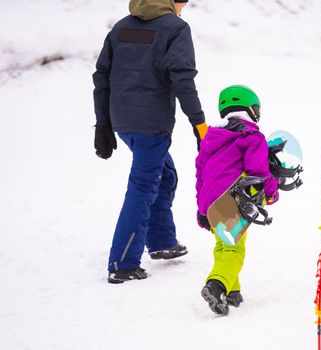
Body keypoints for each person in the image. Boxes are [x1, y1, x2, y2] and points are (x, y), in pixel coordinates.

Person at [92, 0, 208, 284]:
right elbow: (183, 78)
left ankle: (162, 241)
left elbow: (101, 77)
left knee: (164, 174)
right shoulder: (175, 28)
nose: (184, 7)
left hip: (123, 122)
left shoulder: (122, 28)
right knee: (143, 186)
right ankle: (122, 263)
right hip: (152, 126)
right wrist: (199, 123)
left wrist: (104, 124)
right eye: (183, 1)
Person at [195, 85, 279, 315]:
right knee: (233, 249)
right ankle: (217, 285)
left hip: (210, 201)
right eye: (257, 110)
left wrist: (202, 209)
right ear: (250, 110)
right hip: (233, 199)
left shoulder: (210, 139)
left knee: (224, 244)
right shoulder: (252, 137)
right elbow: (258, 170)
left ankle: (232, 291)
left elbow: (200, 174)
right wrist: (271, 191)